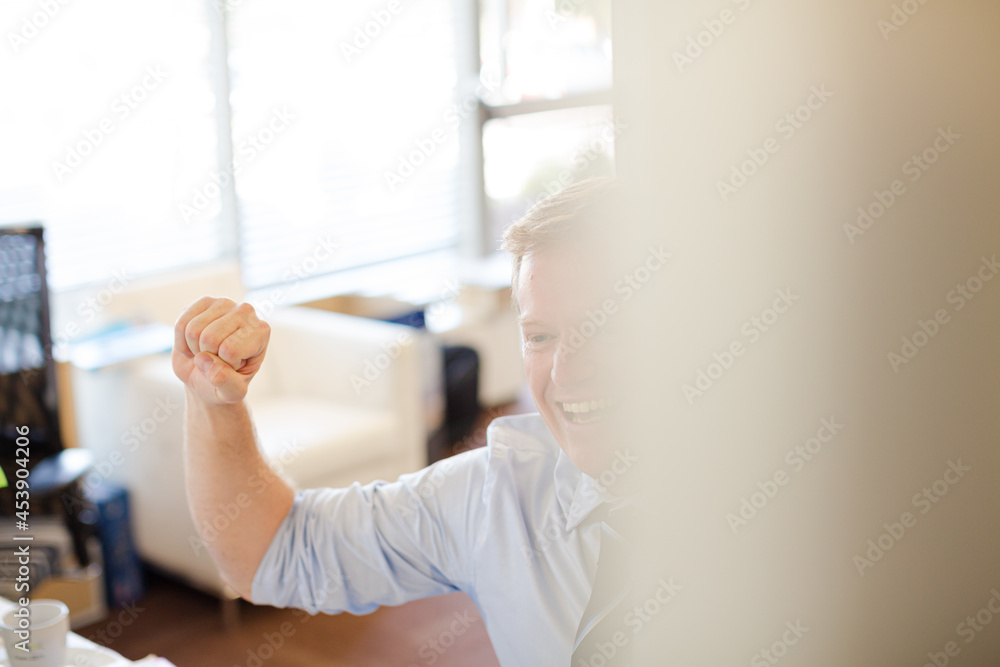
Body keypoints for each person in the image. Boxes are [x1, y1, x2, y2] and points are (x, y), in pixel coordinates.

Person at [175, 178, 663, 665]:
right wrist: (214, 402)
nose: (566, 371)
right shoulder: (498, 495)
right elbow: (269, 551)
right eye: (540, 337)